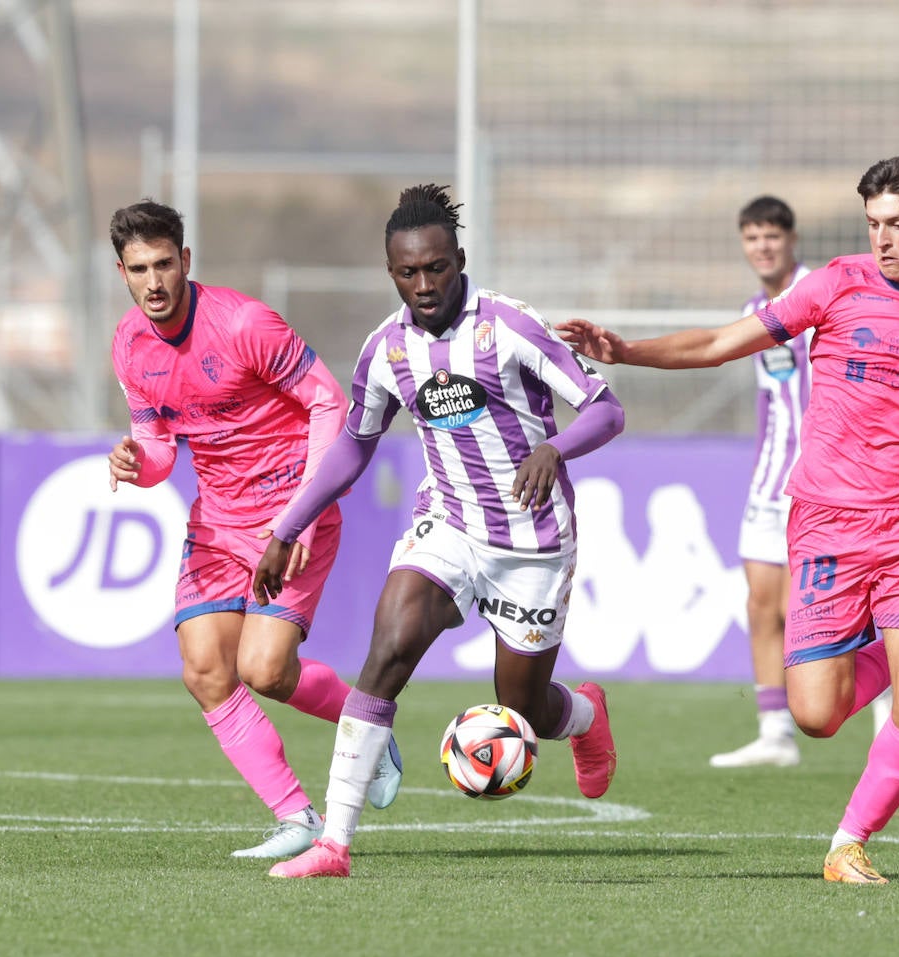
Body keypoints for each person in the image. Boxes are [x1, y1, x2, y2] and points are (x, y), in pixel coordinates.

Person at [561, 154, 899, 885]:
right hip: (827, 522)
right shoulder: (835, 284)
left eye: (897, 224)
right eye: (872, 224)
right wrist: (627, 351)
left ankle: (849, 842)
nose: (882, 239)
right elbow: (717, 344)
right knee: (815, 715)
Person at [258, 184, 626, 880]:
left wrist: (555, 448)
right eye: (407, 272)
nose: (424, 285)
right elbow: (352, 445)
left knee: (521, 706)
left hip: (533, 544)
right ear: (391, 271)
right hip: (449, 527)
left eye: (436, 269)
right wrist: (288, 524)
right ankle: (334, 843)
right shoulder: (386, 350)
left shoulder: (511, 327)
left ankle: (583, 715)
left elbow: (606, 412)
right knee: (388, 647)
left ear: (459, 259)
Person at [106, 200, 400, 859]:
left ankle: (368, 721)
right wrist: (136, 463)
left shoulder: (243, 323)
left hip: (291, 517)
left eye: (162, 264)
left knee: (265, 670)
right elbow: (158, 448)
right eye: (137, 269)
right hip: (217, 524)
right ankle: (296, 817)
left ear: (186, 261)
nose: (153, 282)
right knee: (206, 668)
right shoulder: (129, 343)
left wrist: (300, 513)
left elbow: (330, 401)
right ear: (121, 272)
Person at [708, 196, 813, 768]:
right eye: (752, 237)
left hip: (821, 482)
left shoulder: (819, 294)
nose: (763, 246)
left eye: (772, 235)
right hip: (770, 480)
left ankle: (887, 712)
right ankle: (775, 732)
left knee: (815, 606)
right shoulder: (757, 307)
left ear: (791, 238)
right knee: (761, 605)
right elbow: (773, 403)